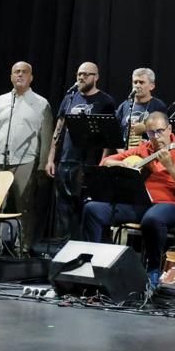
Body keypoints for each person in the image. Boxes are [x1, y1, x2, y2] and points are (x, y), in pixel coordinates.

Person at [85, 112, 175, 288]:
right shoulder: (144, 149)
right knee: (92, 209)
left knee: (153, 218)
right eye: (151, 132)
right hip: (143, 204)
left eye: (160, 131)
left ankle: (153, 272)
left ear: (169, 129)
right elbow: (106, 162)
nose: (156, 137)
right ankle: (93, 264)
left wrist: (171, 167)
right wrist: (123, 164)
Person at [0, 61, 53, 250]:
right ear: (11, 77)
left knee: (24, 208)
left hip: (25, 161)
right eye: (16, 72)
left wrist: (43, 166)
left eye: (24, 72)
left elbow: (47, 137)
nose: (20, 75)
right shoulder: (0, 101)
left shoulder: (41, 103)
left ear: (31, 77)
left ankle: (22, 249)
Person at [44, 62, 116, 241]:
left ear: (96, 77)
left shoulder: (105, 101)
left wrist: (103, 161)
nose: (81, 77)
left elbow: (109, 136)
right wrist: (51, 158)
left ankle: (83, 248)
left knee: (83, 208)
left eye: (86, 74)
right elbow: (58, 129)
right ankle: (63, 247)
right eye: (79, 74)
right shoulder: (70, 98)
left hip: (88, 162)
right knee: (63, 209)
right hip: (66, 160)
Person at [116, 67, 167, 147]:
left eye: (141, 82)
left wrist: (145, 128)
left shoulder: (158, 106)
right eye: (135, 82)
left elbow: (163, 133)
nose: (137, 85)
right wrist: (121, 151)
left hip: (147, 152)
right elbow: (115, 133)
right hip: (125, 152)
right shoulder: (124, 105)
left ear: (152, 86)